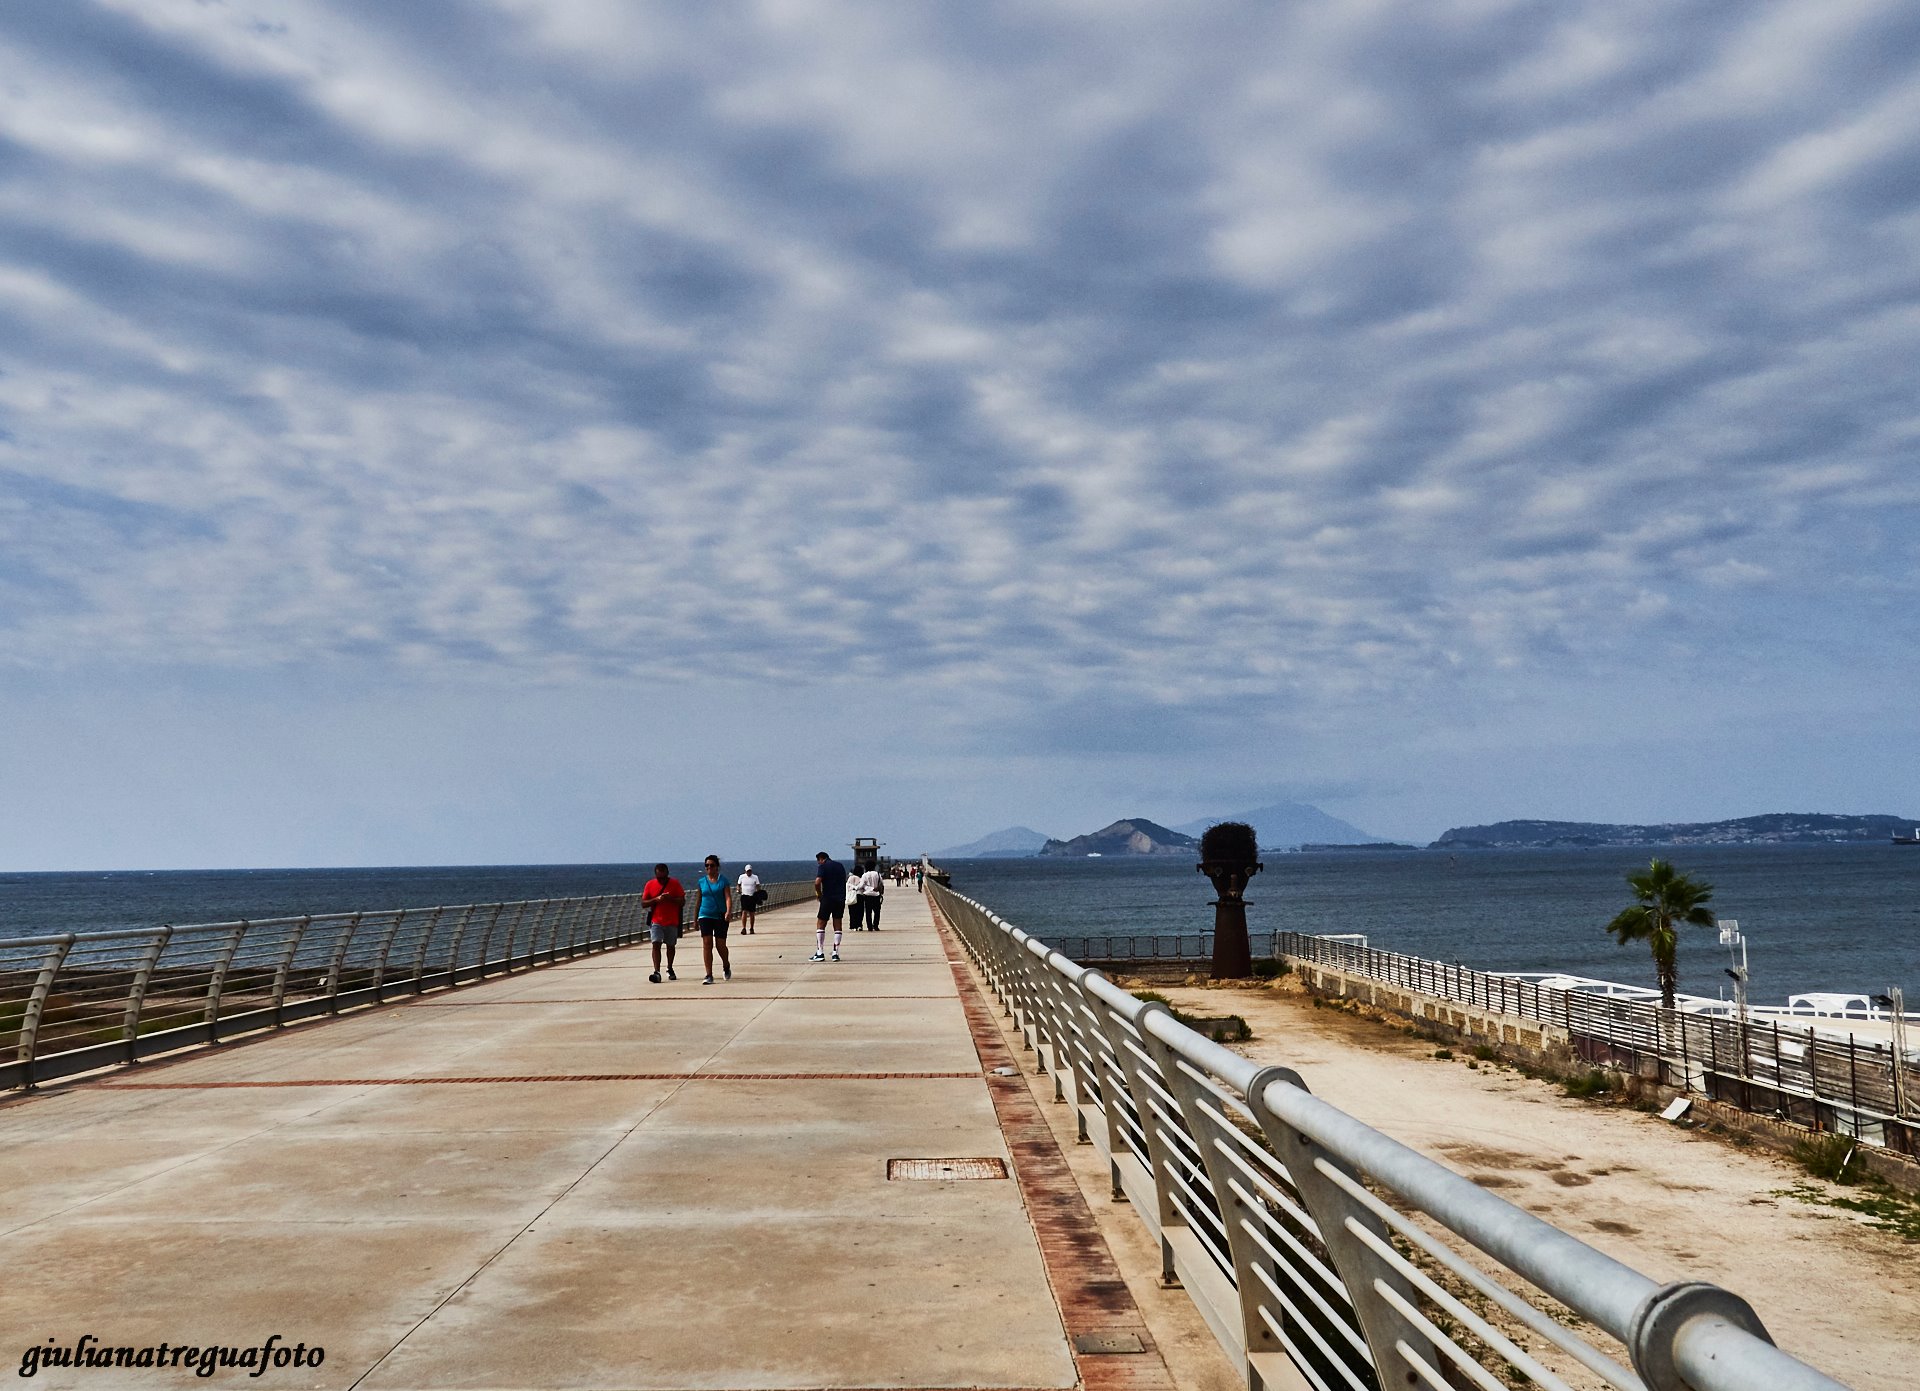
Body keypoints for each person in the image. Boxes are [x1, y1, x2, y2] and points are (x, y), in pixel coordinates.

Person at [694, 855, 733, 984]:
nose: (709, 868)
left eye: (711, 865)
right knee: (707, 943)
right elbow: (698, 900)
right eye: (707, 865)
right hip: (705, 914)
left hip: (720, 915)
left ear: (717, 867)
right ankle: (708, 974)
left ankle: (726, 965)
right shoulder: (701, 882)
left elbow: (728, 897)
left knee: (720, 945)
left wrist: (728, 911)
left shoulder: (723, 881)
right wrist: (695, 918)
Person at [642, 863, 684, 983]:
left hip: (671, 920)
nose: (661, 880)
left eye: (663, 877)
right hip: (656, 920)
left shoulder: (675, 883)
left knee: (671, 946)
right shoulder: (650, 884)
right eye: (659, 877)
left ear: (667, 874)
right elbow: (644, 903)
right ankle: (657, 971)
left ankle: (670, 967)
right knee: (656, 944)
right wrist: (656, 899)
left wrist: (669, 899)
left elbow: (682, 901)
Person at [812, 851, 847, 962]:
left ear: (821, 859)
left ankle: (820, 952)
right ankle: (835, 953)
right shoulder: (840, 866)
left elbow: (817, 882)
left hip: (827, 898)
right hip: (840, 898)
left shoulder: (823, 866)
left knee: (821, 923)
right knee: (837, 925)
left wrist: (819, 894)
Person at [736, 864, 762, 933]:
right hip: (744, 896)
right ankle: (744, 928)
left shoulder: (755, 877)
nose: (749, 872)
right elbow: (738, 885)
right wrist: (738, 890)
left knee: (752, 913)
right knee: (744, 911)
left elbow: (758, 886)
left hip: (752, 896)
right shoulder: (741, 877)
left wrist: (758, 894)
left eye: (750, 871)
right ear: (745, 871)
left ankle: (751, 928)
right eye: (747, 871)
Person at [858, 862, 884, 929]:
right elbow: (881, 883)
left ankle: (869, 926)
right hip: (876, 894)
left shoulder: (864, 875)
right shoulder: (877, 874)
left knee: (868, 912)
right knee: (877, 911)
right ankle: (876, 925)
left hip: (867, 894)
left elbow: (861, 885)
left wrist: (854, 888)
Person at [845, 862, 865, 932]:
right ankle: (859, 925)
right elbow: (863, 887)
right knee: (860, 911)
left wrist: (852, 888)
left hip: (851, 896)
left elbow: (847, 886)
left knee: (852, 911)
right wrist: (856, 887)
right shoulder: (861, 878)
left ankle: (853, 925)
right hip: (860, 895)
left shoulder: (850, 877)